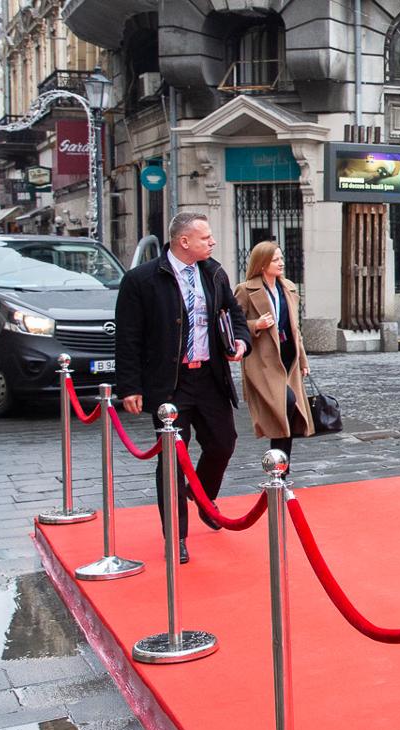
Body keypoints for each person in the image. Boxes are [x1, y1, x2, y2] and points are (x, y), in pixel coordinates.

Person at [114, 212, 251, 563]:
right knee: (173, 460)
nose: (213, 242)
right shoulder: (141, 280)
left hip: (209, 376)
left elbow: (234, 314)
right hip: (169, 384)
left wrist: (240, 342)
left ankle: (202, 497)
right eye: (206, 237)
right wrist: (130, 386)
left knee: (223, 443)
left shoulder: (214, 273)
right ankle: (176, 535)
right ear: (183, 241)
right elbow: (128, 338)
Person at [233, 241, 313, 469]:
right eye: (275, 259)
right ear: (261, 263)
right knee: (284, 405)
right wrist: (255, 325)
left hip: (288, 358)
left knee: (286, 414)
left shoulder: (287, 287)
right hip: (264, 362)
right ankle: (278, 466)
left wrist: (303, 361)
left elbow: (295, 330)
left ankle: (281, 468)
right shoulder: (245, 289)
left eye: (281, 258)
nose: (281, 263)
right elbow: (232, 324)